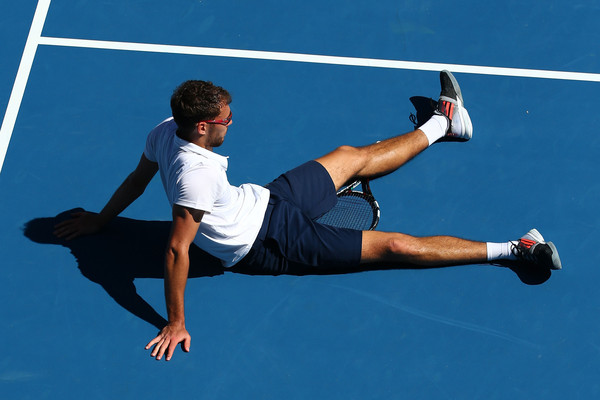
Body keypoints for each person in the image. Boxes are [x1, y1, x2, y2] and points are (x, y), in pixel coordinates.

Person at [53, 71, 562, 361]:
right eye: (227, 119)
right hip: (268, 245)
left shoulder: (168, 129)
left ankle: (444, 126)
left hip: (265, 201)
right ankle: (515, 250)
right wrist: (176, 321)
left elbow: (139, 175)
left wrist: (101, 219)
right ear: (205, 126)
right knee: (395, 248)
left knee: (349, 156)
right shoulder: (195, 177)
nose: (233, 122)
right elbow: (176, 248)